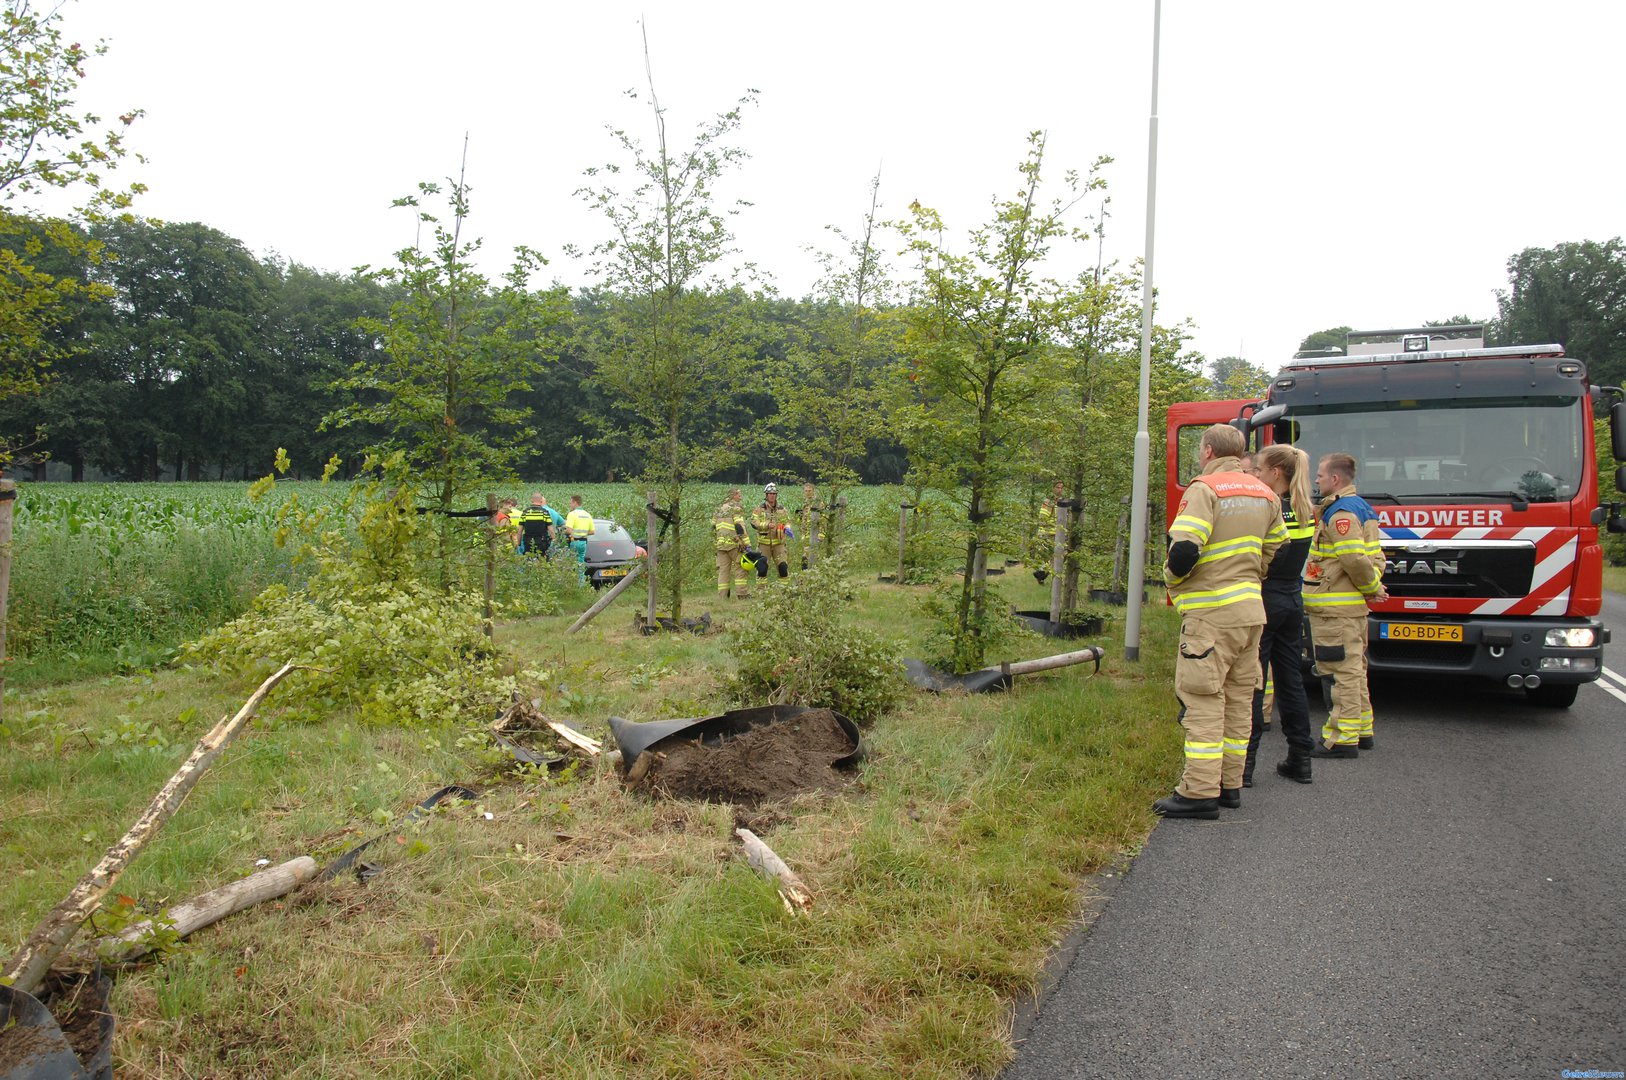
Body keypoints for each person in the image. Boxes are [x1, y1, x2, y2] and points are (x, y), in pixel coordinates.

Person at [1154, 424, 1287, 820]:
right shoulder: (1265, 493)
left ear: (1208, 451)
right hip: (1251, 614)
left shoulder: (1205, 489)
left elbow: (1184, 551)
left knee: (1204, 700)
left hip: (1211, 615)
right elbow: (1278, 545)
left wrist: (1172, 581)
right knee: (1238, 701)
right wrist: (1253, 574)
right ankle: (1230, 786)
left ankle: (1198, 793)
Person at [1241, 445, 1317, 785]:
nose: (1255, 475)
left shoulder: (1269, 508)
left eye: (1258, 470)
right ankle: (1301, 759)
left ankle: (1246, 766)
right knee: (1292, 684)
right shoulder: (1306, 510)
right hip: (1292, 600)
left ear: (1275, 473)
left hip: (1266, 599)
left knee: (1254, 684)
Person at [1304, 452, 1386, 757]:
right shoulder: (1361, 507)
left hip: (1334, 609)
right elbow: (1373, 557)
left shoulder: (1340, 513)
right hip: (1349, 608)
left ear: (1335, 479)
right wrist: (1372, 586)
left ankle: (1341, 738)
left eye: (1321, 475)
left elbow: (1353, 558)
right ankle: (1362, 730)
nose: (1317, 480)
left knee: (1339, 673)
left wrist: (1372, 588)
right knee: (1354, 669)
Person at [714, 489, 750, 599]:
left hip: (721, 545)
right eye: (739, 494)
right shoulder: (735, 508)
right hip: (735, 544)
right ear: (733, 496)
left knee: (723, 571)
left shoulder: (718, 509)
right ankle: (742, 594)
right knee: (741, 568)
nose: (741, 497)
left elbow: (713, 527)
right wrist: (747, 544)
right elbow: (739, 526)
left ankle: (723, 596)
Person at [752, 482, 792, 579]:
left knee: (783, 568)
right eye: (770, 494)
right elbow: (753, 522)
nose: (772, 496)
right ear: (766, 495)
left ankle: (784, 591)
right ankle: (761, 592)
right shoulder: (759, 509)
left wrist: (787, 527)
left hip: (779, 544)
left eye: (774, 494)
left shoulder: (782, 509)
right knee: (762, 569)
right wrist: (766, 525)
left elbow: (788, 521)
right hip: (764, 544)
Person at [564, 495, 594, 566]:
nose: (570, 505)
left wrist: (573, 534)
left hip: (574, 541)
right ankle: (581, 577)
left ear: (575, 502)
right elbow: (592, 531)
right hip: (583, 542)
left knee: (572, 563)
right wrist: (582, 534)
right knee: (581, 562)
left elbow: (568, 530)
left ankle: (573, 577)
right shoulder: (588, 514)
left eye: (570, 503)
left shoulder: (572, 514)